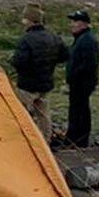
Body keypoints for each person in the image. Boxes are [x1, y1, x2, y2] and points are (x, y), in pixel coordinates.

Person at [11, 10, 67, 143]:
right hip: (46, 84)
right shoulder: (53, 37)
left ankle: (21, 141)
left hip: (27, 85)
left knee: (20, 113)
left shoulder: (26, 39)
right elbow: (65, 55)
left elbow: (20, 61)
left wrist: (12, 61)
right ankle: (45, 142)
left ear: (29, 21)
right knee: (44, 116)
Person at [65, 11, 99, 149]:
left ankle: (78, 140)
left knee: (79, 111)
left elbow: (88, 64)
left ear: (83, 24)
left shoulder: (87, 40)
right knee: (77, 109)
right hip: (79, 82)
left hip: (82, 82)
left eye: (75, 21)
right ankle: (73, 138)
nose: (72, 24)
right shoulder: (81, 38)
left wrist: (73, 75)